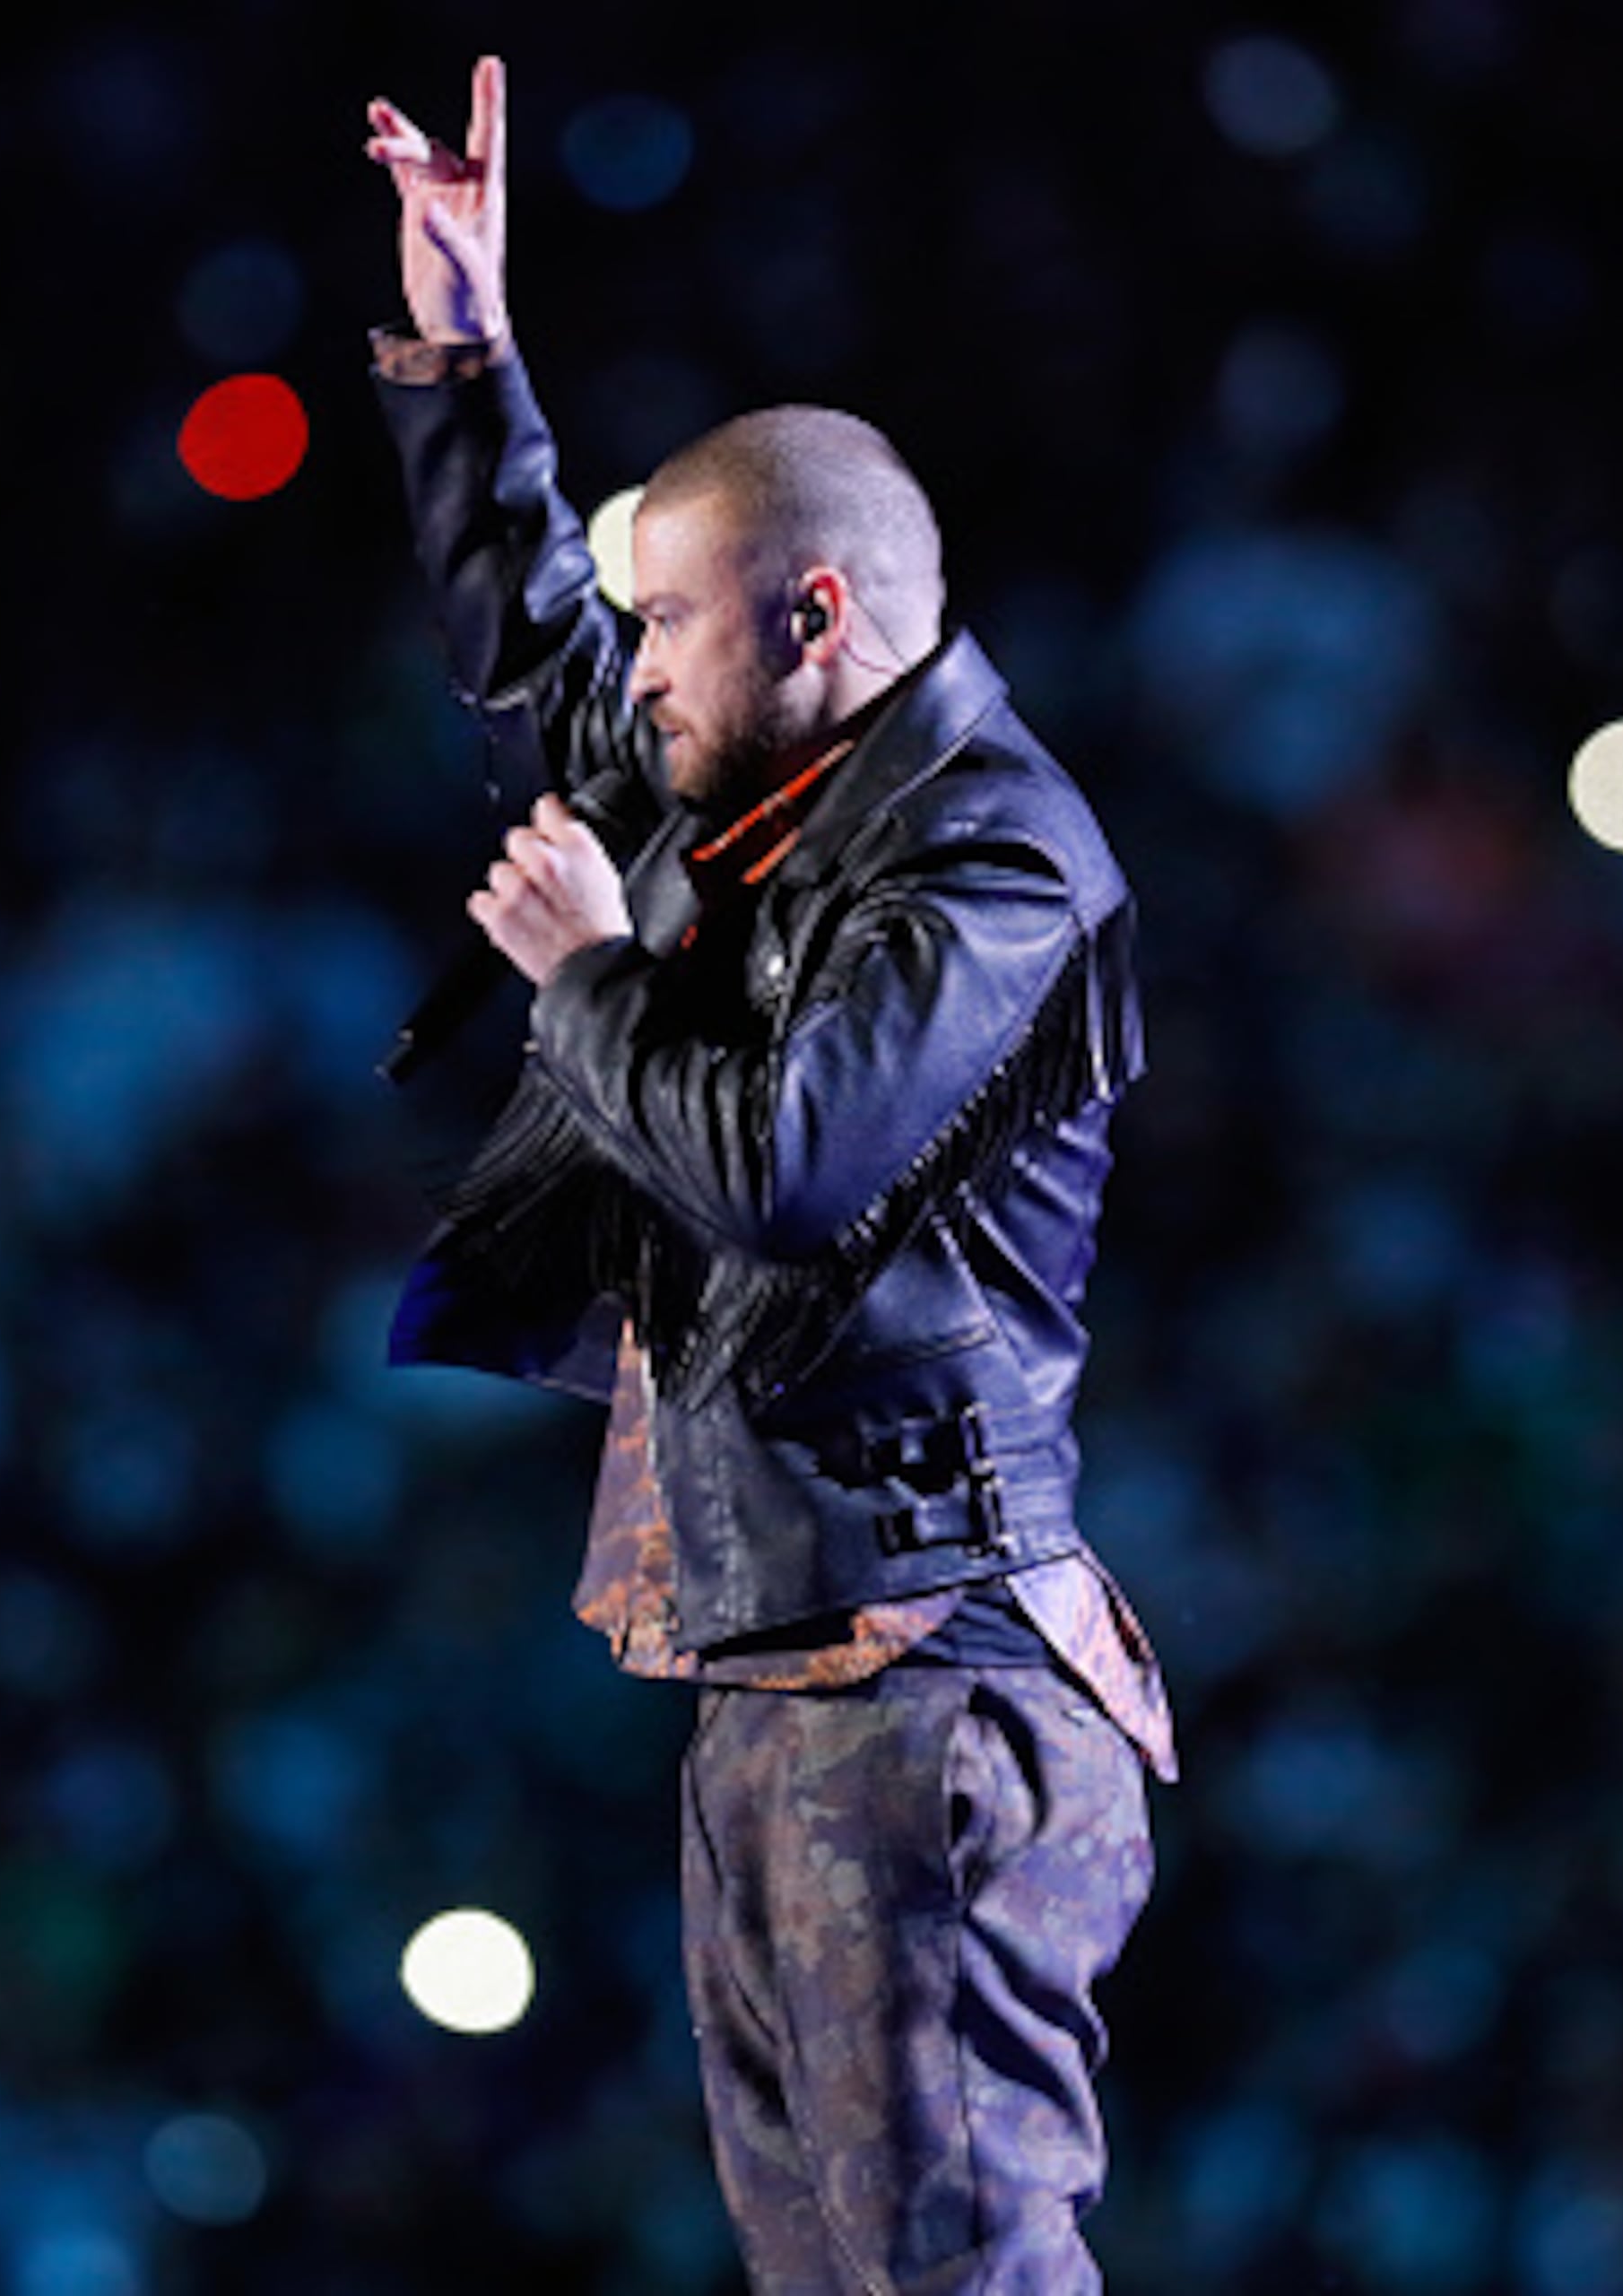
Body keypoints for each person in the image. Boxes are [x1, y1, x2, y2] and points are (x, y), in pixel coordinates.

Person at [361, 57, 1176, 2292]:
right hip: (773, 1666)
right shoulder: (760, 798)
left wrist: (593, 986)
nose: (635, 674)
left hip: (931, 1689)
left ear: (815, 617)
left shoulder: (995, 858)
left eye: (678, 627)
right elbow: (535, 646)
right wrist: (462, 348)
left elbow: (795, 1164)